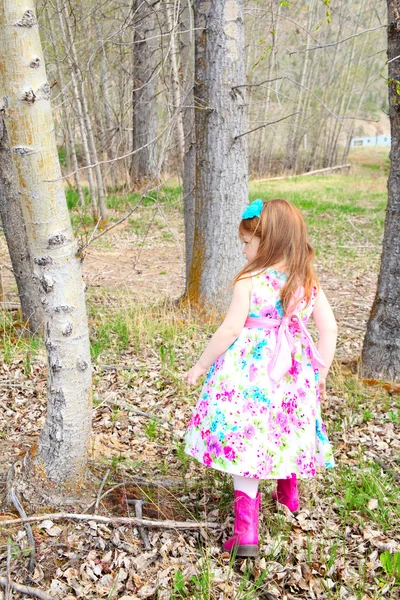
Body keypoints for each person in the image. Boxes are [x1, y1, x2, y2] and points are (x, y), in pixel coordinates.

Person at [183, 198, 337, 557]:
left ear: (267, 242)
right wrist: (320, 374)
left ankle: (246, 532)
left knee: (247, 442)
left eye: (247, 242)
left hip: (249, 374)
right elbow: (329, 329)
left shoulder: (251, 279)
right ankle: (288, 493)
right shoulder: (307, 280)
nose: (243, 249)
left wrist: (201, 365)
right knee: (285, 427)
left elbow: (229, 329)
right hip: (293, 373)